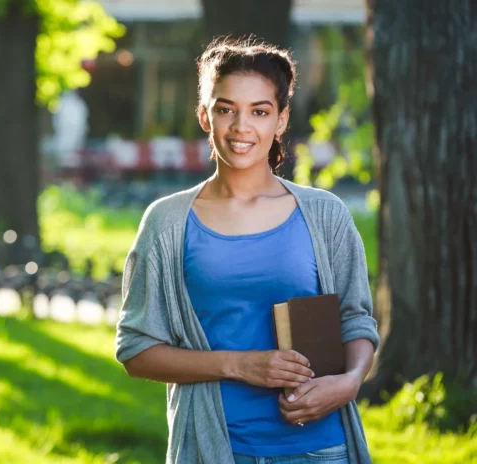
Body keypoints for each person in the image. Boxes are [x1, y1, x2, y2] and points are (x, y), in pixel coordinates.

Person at [115, 37, 380, 464]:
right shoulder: (167, 223)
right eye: (226, 109)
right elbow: (136, 349)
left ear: (280, 120)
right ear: (205, 116)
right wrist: (239, 365)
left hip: (322, 448)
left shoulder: (325, 214)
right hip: (215, 448)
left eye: (259, 111)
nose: (241, 127)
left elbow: (355, 319)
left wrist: (348, 383)